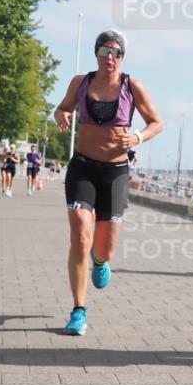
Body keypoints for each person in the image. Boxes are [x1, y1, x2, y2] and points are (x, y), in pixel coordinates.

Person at [53, 30, 163, 335]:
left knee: (105, 247)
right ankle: (78, 310)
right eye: (105, 51)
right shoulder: (81, 82)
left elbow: (157, 122)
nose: (111, 57)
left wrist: (138, 136)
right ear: (96, 54)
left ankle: (99, 262)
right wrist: (59, 115)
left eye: (117, 52)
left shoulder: (132, 86)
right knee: (80, 233)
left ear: (122, 57)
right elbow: (62, 107)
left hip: (115, 173)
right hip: (83, 168)